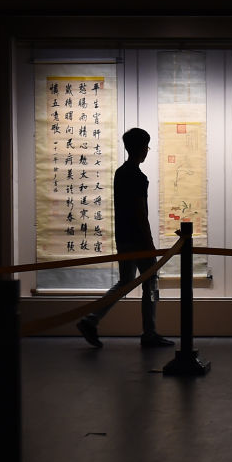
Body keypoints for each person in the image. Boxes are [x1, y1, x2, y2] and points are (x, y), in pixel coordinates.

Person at [76, 128, 173, 348]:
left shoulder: (120, 173)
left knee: (125, 281)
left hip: (123, 237)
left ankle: (91, 319)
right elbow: (140, 214)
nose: (147, 151)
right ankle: (149, 333)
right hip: (139, 240)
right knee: (151, 283)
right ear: (141, 148)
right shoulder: (139, 177)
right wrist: (149, 244)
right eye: (146, 147)